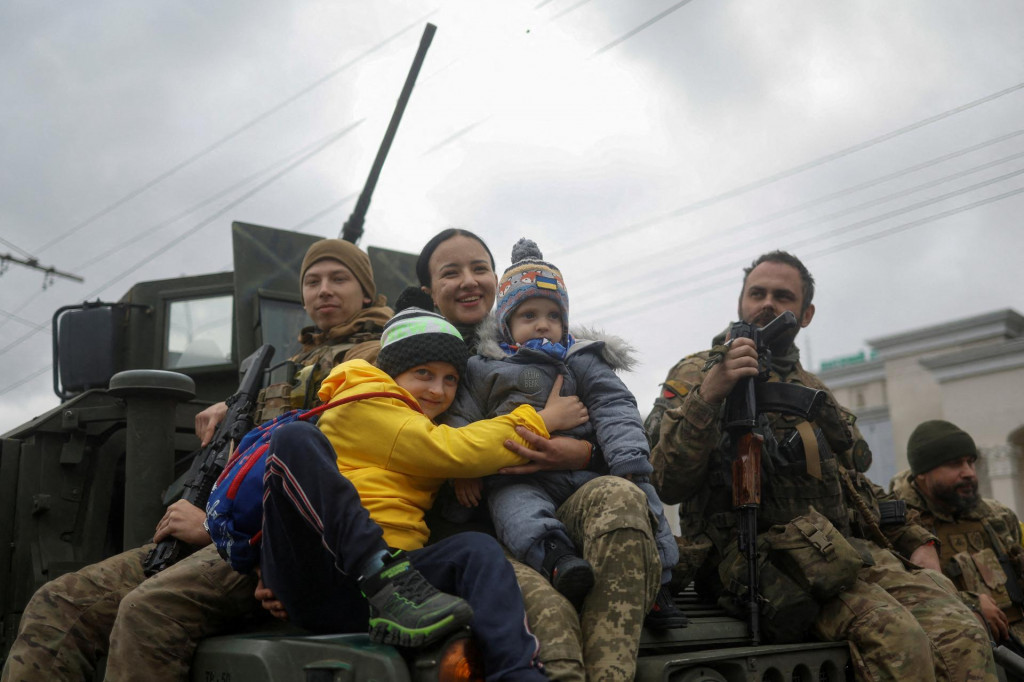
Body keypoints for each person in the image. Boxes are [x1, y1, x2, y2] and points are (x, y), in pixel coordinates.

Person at [1, 239, 393, 682]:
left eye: (339, 278)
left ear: (366, 292)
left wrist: (218, 532)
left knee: (147, 612)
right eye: (312, 281)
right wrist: (238, 406)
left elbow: (339, 476)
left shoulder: (380, 358)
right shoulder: (296, 365)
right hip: (228, 528)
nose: (324, 290)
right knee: (60, 602)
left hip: (275, 540)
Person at [645, 250, 997, 681]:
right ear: (740, 302)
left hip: (839, 552)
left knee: (963, 629)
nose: (767, 304)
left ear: (805, 314)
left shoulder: (812, 389)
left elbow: (853, 483)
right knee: (895, 636)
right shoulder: (696, 372)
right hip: (755, 558)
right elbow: (666, 481)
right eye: (757, 293)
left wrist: (914, 539)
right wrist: (711, 395)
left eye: (782, 296)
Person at [258, 303, 590, 679]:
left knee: (475, 550)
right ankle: (381, 576)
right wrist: (540, 420)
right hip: (325, 571)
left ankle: (517, 673)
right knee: (295, 438)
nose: (438, 389)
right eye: (423, 373)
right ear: (393, 372)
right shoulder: (367, 401)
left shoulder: (417, 420)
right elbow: (452, 450)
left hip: (403, 592)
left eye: (450, 379)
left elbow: (451, 448)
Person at [417, 228, 662, 682]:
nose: (469, 281)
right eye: (451, 273)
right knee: (550, 615)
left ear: (496, 279)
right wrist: (540, 425)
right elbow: (430, 450)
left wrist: (584, 453)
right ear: (429, 291)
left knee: (623, 499)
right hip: (475, 535)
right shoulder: (414, 351)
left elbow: (614, 414)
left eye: (479, 268)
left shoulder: (559, 354)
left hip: (564, 497)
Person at [446, 238, 685, 627]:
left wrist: (626, 457)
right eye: (529, 316)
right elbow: (462, 417)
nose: (543, 324)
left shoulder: (581, 361)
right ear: (506, 323)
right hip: (520, 476)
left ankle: (658, 585)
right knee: (513, 507)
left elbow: (615, 404)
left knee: (642, 497)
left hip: (588, 473)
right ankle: (557, 559)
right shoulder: (484, 367)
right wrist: (464, 470)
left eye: (553, 315)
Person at [891, 419, 1024, 648]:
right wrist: (969, 604)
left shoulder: (998, 517)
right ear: (923, 473)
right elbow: (901, 599)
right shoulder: (900, 528)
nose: (969, 473)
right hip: (961, 650)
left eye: (971, 462)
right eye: (955, 464)